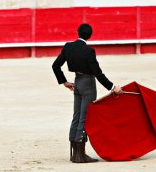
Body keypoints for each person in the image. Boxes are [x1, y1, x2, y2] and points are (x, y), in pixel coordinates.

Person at [52, 23, 123, 163]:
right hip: (88, 84)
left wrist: (64, 81)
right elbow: (98, 73)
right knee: (85, 117)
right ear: (90, 35)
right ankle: (80, 155)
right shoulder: (89, 51)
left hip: (76, 82)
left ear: (78, 33)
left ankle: (74, 153)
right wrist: (112, 87)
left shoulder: (68, 47)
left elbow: (55, 65)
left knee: (76, 116)